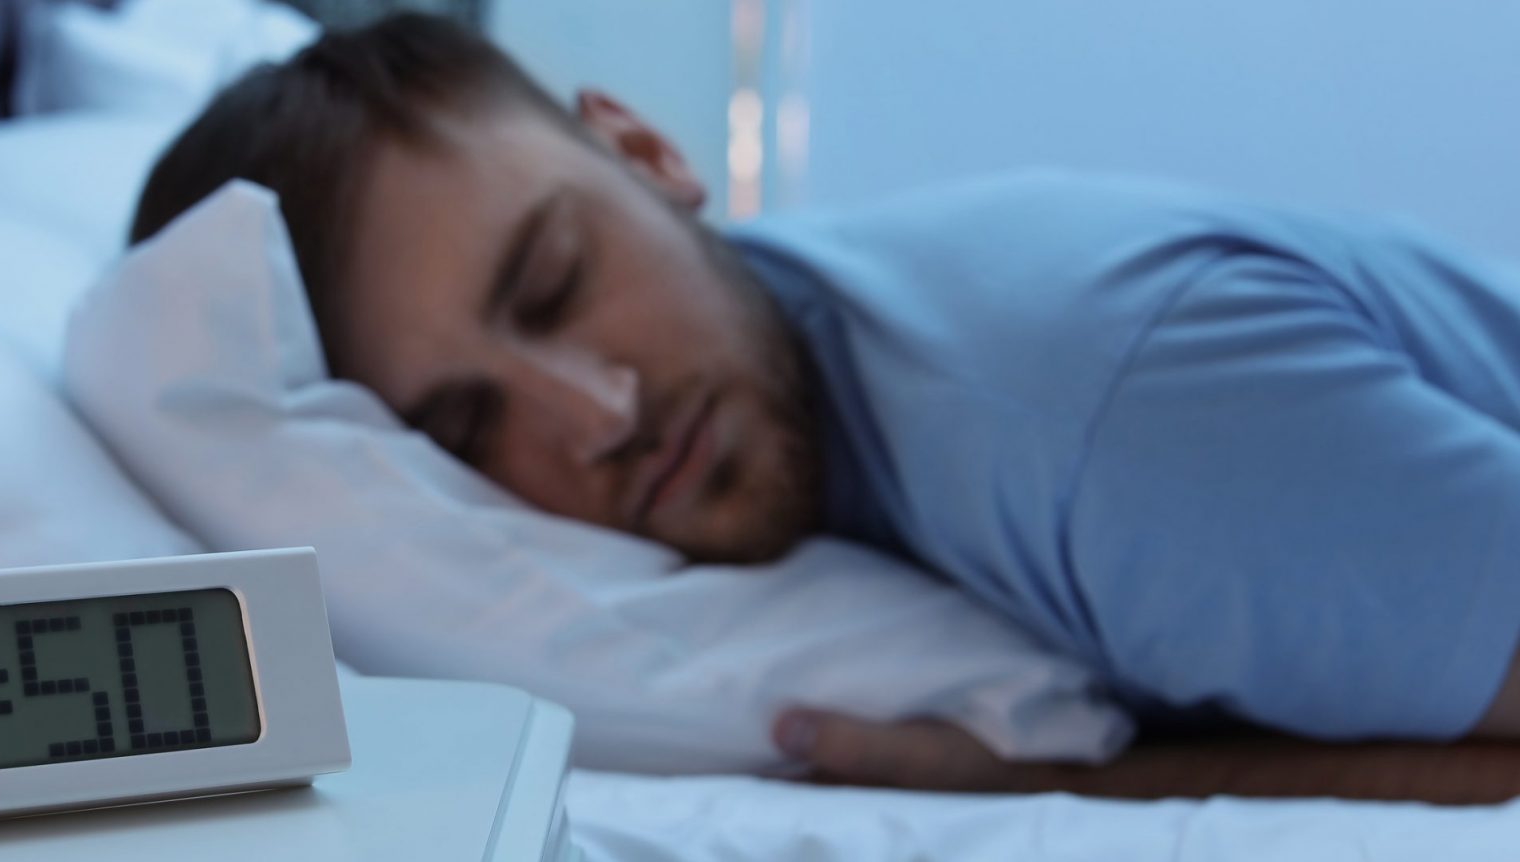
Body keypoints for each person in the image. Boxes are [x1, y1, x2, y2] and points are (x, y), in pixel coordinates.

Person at [127, 14, 1520, 801]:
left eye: (561, 280)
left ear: (653, 151)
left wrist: (1062, 787)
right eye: (463, 434)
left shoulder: (1103, 432)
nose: (592, 412)